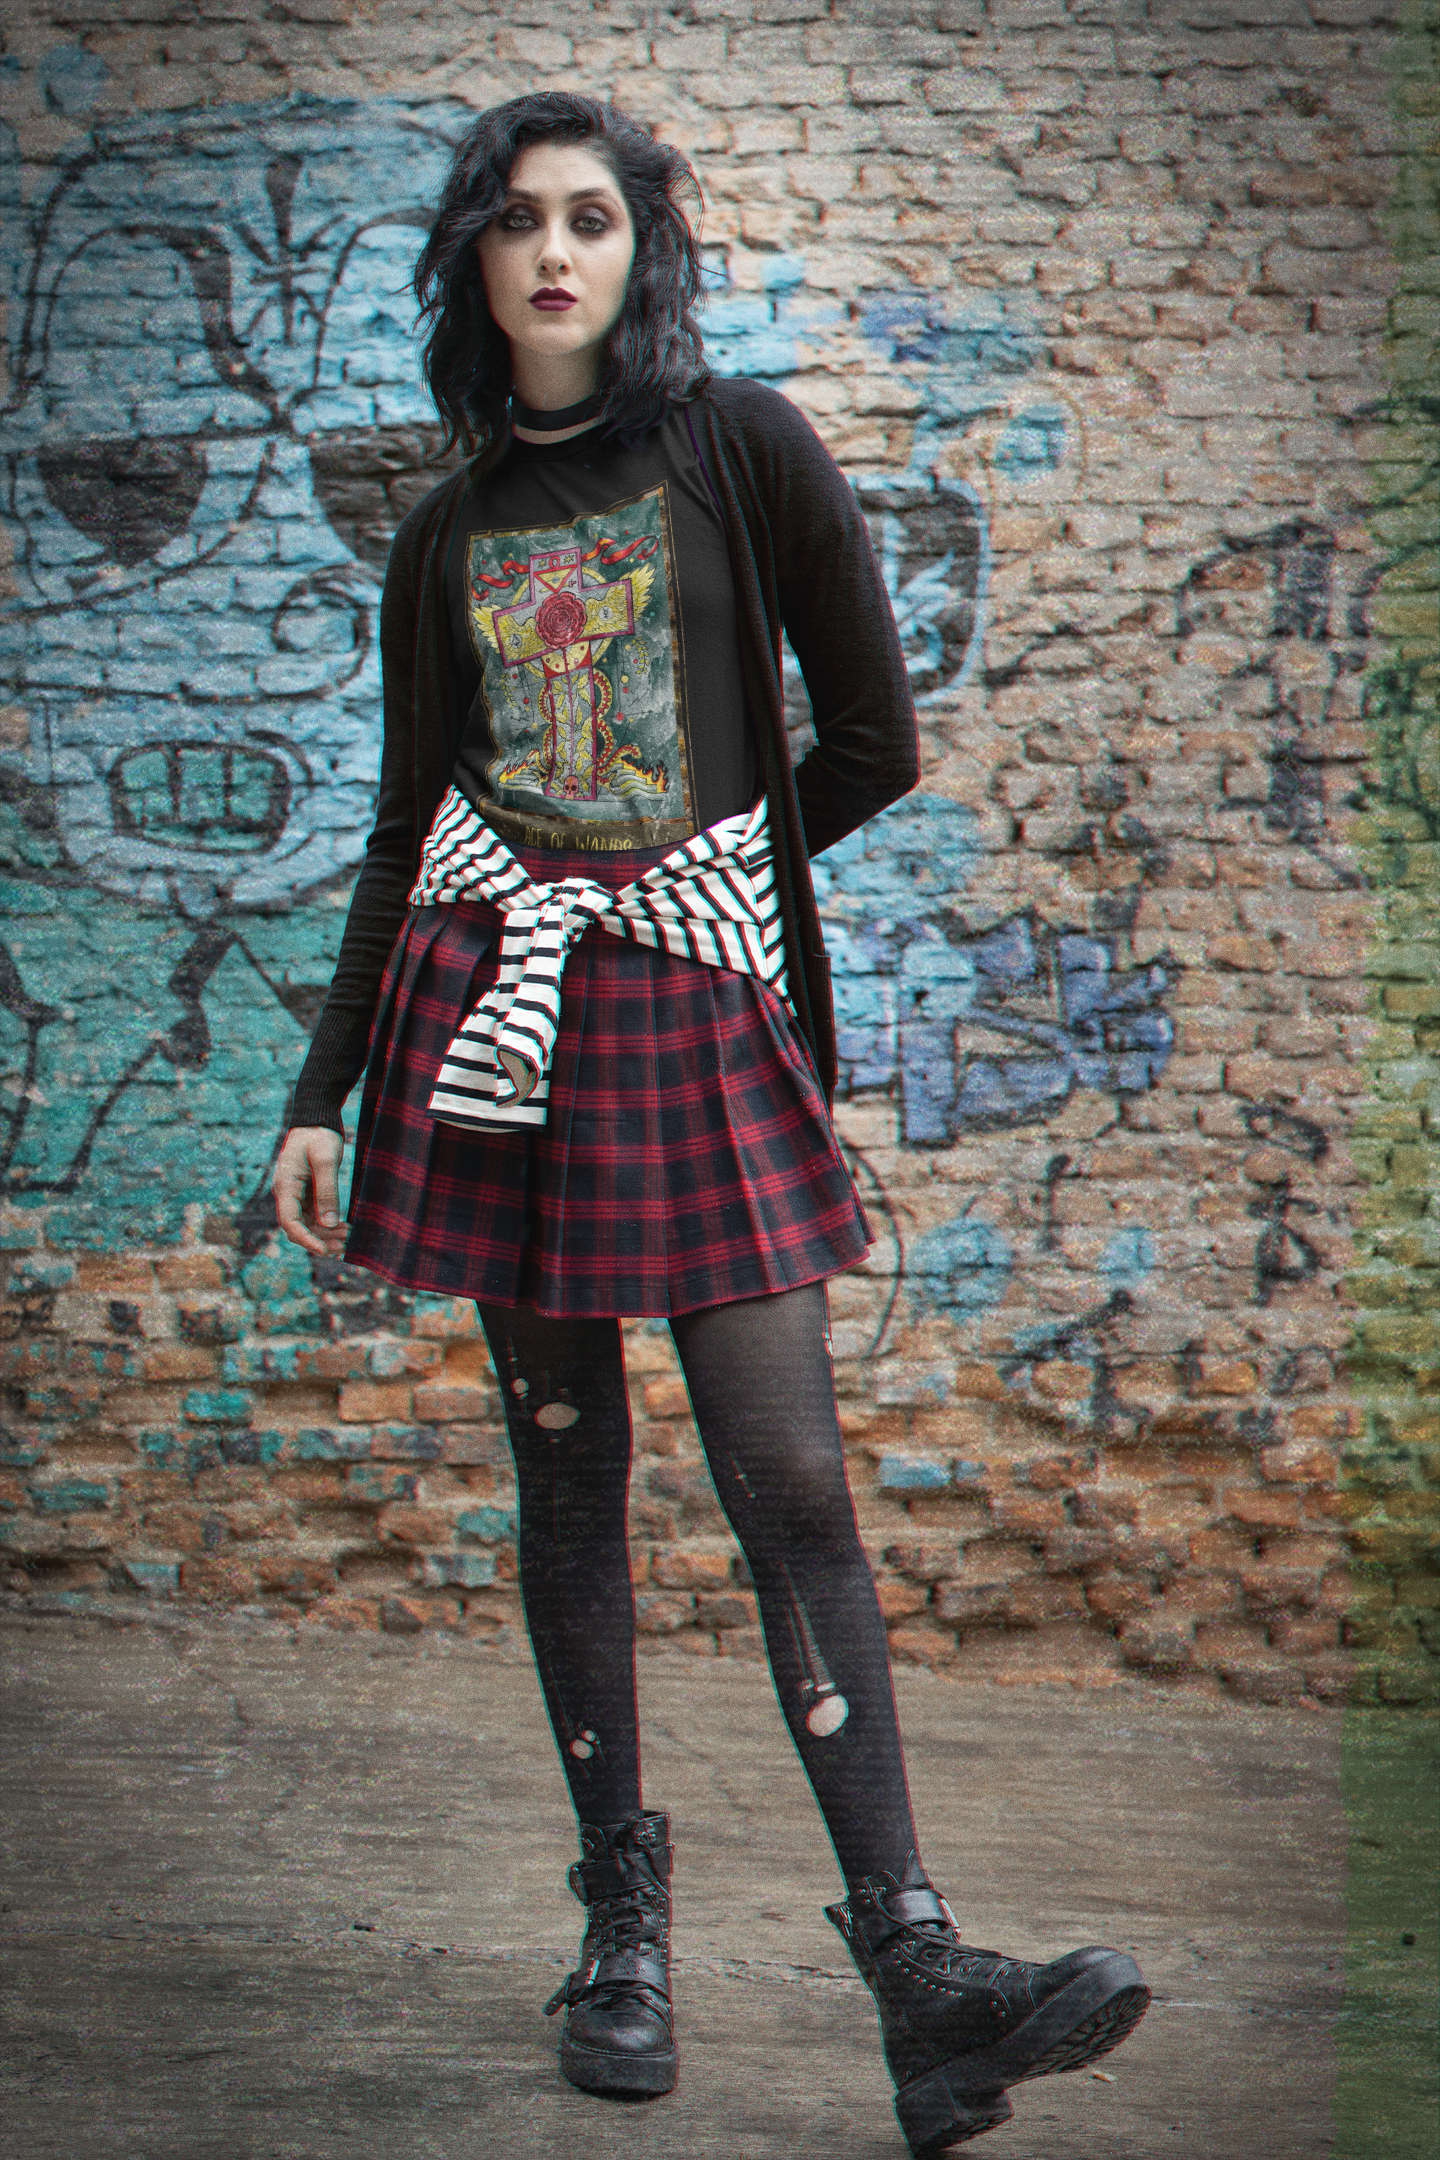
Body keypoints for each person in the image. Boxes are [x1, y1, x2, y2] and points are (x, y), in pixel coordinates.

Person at [272, 91, 1149, 2156]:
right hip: (491, 1032)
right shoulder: (445, 529)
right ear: (474, 261)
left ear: (640, 247)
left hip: (691, 1017)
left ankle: (922, 1980)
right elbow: (411, 823)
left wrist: (696, 894)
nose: (555, 251)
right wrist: (320, 1096)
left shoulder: (739, 449)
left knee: (791, 1484)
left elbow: (871, 734)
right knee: (566, 1475)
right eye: (517, 220)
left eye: (592, 218)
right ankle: (622, 1937)